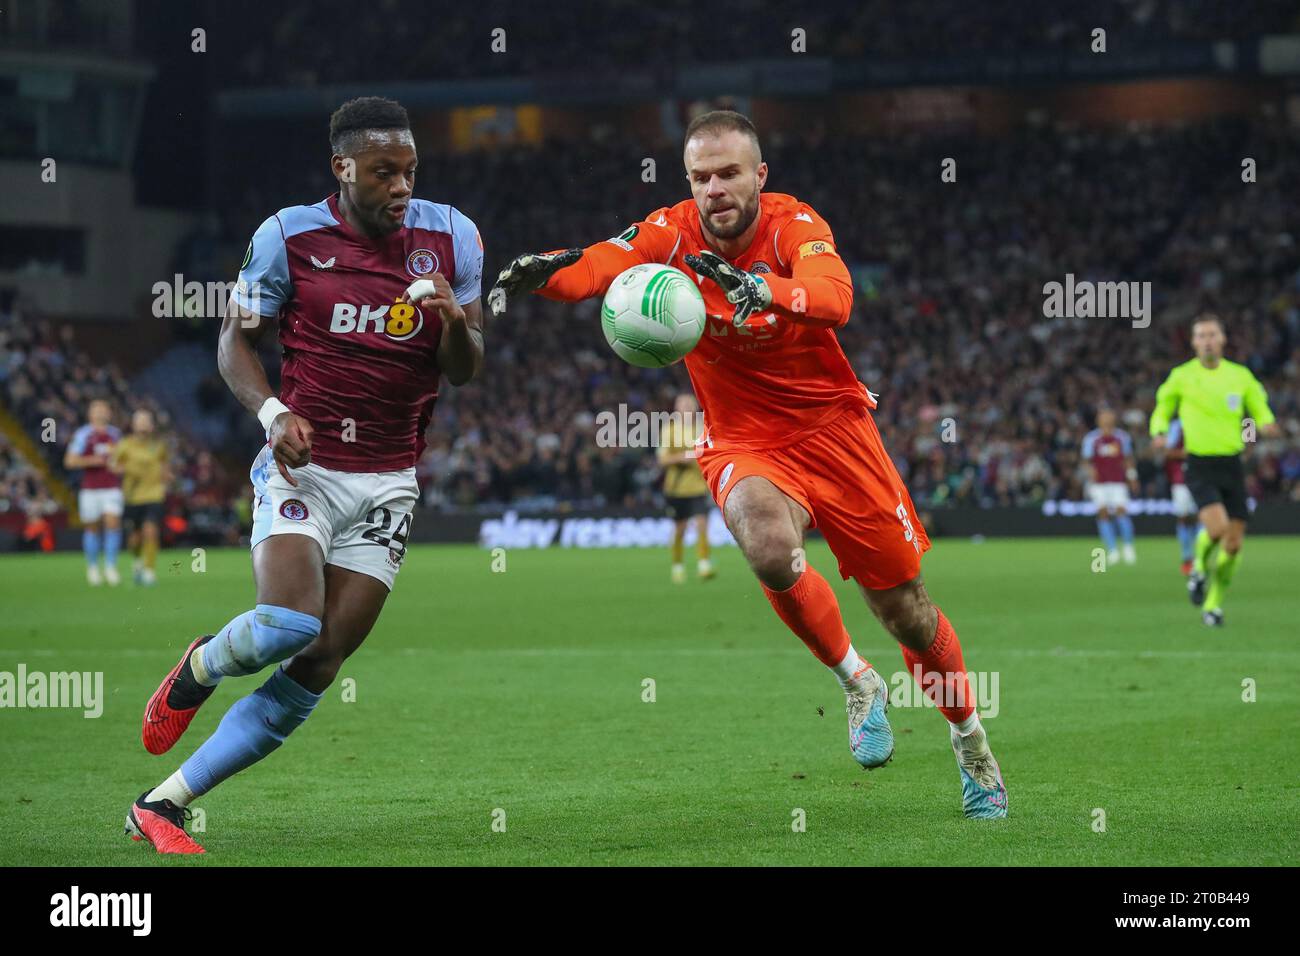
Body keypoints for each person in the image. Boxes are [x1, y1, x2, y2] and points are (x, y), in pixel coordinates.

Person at [490, 110, 1006, 818]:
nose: (714, 189)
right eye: (700, 177)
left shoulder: (794, 226)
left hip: (836, 433)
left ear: (759, 174)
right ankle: (858, 681)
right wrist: (550, 274)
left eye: (728, 173)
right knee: (767, 548)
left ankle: (971, 741)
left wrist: (766, 290)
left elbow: (836, 297)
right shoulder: (671, 232)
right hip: (743, 439)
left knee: (905, 611)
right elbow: (601, 264)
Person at [125, 97, 485, 853]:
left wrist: (455, 320)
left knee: (319, 662)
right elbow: (234, 342)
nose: (401, 187)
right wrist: (271, 412)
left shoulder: (452, 237)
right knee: (288, 624)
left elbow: (465, 371)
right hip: (305, 466)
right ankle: (198, 667)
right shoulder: (287, 236)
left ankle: (163, 804)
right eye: (385, 172)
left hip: (390, 482)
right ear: (343, 168)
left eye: (411, 171)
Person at [1150, 314, 1278, 627]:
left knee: (1233, 545)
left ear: (1222, 339)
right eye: (1201, 335)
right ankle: (1196, 569)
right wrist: (1159, 431)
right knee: (1218, 529)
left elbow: (1256, 409)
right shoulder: (1181, 376)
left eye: (1212, 334)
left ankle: (1213, 605)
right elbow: (1163, 406)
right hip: (1199, 464)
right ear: (1193, 342)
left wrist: (1264, 424)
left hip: (1231, 464)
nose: (1207, 340)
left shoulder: (1240, 376)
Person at [64, 398, 123, 586]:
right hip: (90, 489)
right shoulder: (82, 435)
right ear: (90, 413)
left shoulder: (116, 435)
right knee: (92, 527)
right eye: (96, 409)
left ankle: (111, 567)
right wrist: (93, 461)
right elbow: (70, 461)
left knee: (113, 523)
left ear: (109, 413)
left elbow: (122, 460)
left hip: (112, 487)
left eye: (103, 408)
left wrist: (120, 466)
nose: (100, 412)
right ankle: (92, 567)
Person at [658, 393, 715, 583]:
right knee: (680, 529)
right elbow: (662, 459)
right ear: (676, 409)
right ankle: (677, 565)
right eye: (682, 405)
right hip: (676, 488)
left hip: (699, 486)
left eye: (689, 404)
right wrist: (683, 457)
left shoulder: (703, 428)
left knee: (702, 525)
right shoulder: (670, 430)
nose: (686, 408)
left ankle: (704, 564)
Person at [113, 408, 169, 585]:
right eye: (140, 420)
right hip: (132, 496)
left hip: (154, 494)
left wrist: (166, 479)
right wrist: (122, 469)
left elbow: (164, 466)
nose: (143, 423)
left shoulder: (159, 446)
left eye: (146, 420)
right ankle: (137, 562)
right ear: (133, 424)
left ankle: (149, 570)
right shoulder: (125, 444)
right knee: (135, 538)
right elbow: (114, 465)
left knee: (150, 531)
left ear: (151, 425)